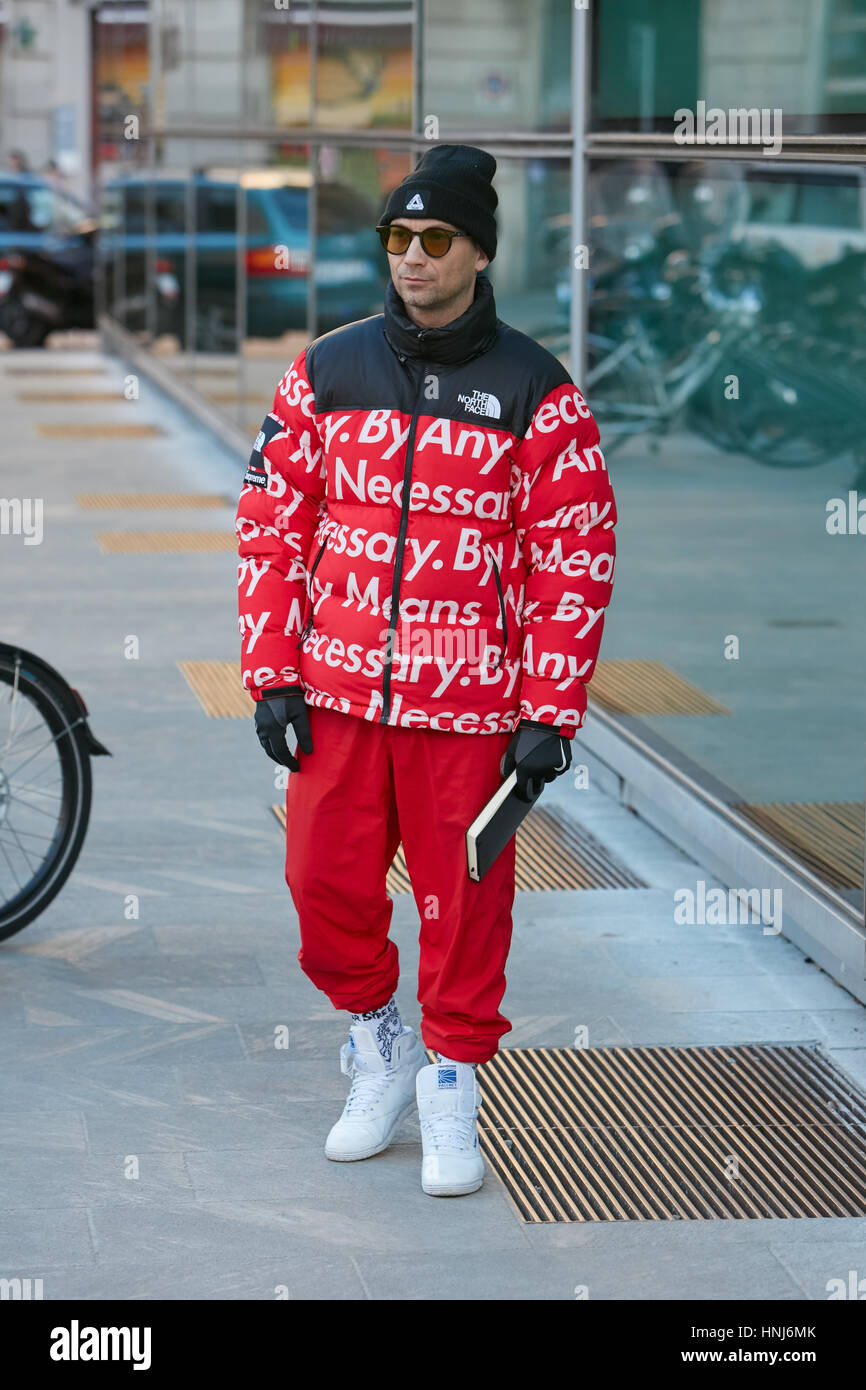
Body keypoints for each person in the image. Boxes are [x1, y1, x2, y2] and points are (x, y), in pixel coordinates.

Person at [234, 143, 617, 1198]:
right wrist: (271, 674)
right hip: (337, 693)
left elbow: (571, 559)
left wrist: (549, 712)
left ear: (475, 252)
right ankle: (380, 1040)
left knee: (463, 907)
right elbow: (271, 527)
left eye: (432, 238)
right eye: (396, 238)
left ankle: (452, 1086)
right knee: (321, 885)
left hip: (469, 709)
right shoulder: (325, 369)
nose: (411, 256)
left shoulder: (536, 389)